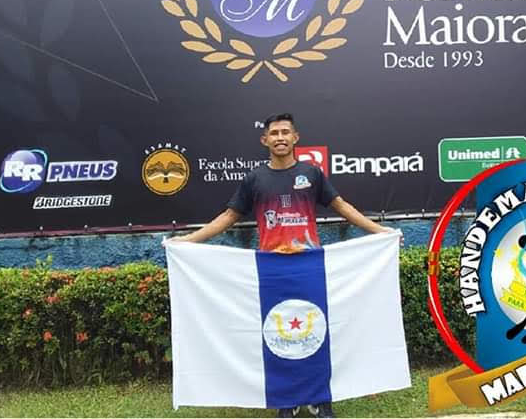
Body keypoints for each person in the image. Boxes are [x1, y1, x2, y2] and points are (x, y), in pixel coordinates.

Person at [166, 113, 394, 418]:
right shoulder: (254, 179)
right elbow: (228, 217)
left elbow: (342, 207)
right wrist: (188, 241)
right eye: (274, 133)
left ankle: (319, 401)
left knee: (316, 333)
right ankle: (287, 402)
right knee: (279, 337)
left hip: (309, 266)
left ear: (296, 137)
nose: (280, 137)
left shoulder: (312, 174)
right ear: (265, 140)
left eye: (286, 132)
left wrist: (382, 233)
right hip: (271, 269)